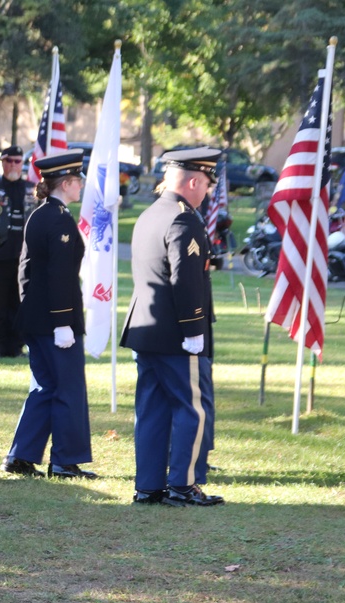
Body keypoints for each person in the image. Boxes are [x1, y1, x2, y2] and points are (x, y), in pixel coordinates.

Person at [121, 147, 224, 507]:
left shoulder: (151, 214)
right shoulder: (184, 219)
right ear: (194, 180)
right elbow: (186, 281)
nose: (207, 191)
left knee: (152, 408)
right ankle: (184, 483)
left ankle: (148, 485)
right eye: (207, 184)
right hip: (176, 334)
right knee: (192, 407)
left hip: (146, 329)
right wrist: (194, 329)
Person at [0, 150, 98, 480]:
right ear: (66, 183)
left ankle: (22, 455)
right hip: (55, 321)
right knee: (67, 388)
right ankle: (64, 460)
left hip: (37, 319)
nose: (81, 186)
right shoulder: (57, 219)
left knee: (44, 387)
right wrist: (62, 323)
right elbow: (59, 275)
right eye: (77, 181)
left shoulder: (42, 214)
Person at [0, 145, 30, 358]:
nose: (12, 165)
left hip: (22, 258)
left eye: (17, 161)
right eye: (8, 160)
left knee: (18, 304)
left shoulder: (31, 188)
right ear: (2, 162)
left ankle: (16, 347)